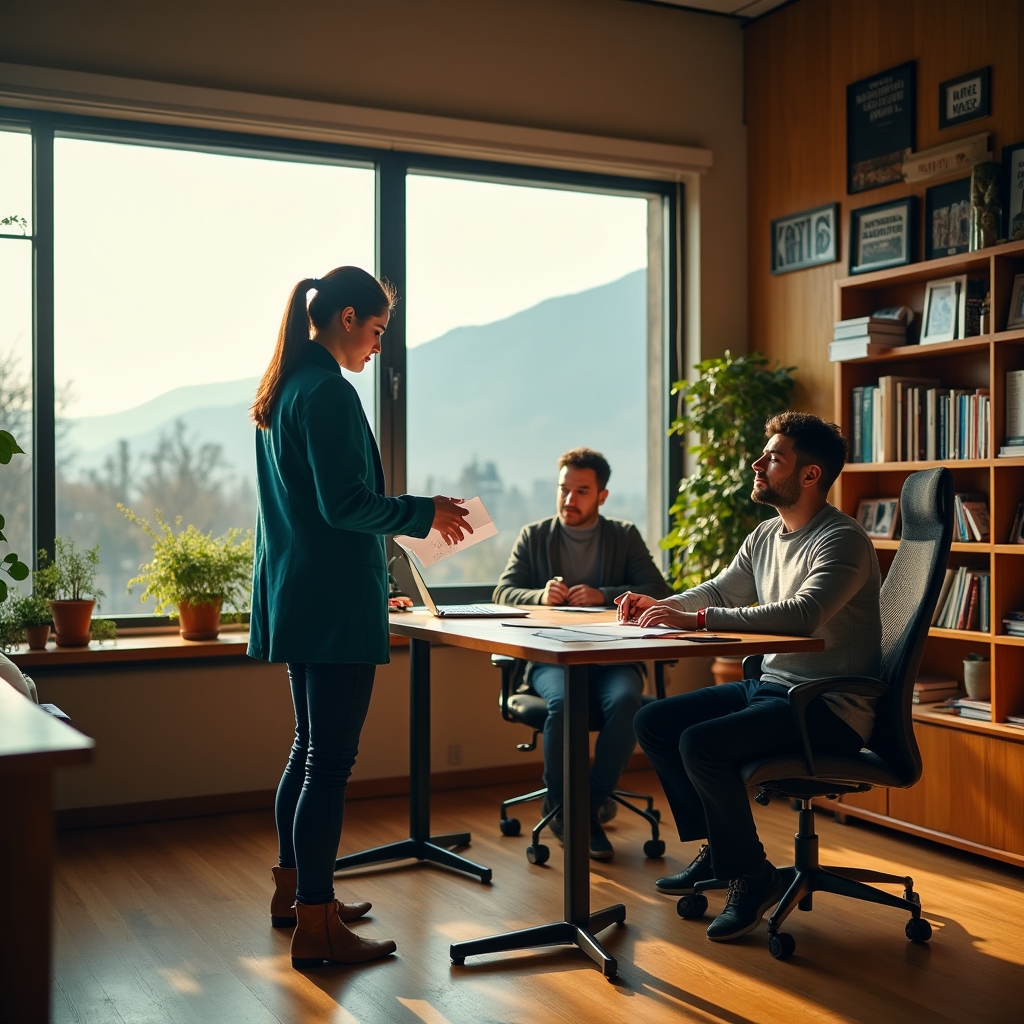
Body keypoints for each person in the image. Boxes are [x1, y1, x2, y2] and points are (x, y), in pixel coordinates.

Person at [248, 267, 470, 970]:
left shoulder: (283, 388)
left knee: (306, 751)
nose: (377, 348)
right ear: (347, 318)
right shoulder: (328, 393)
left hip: (296, 596)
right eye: (376, 332)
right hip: (334, 604)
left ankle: (297, 894)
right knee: (329, 763)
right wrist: (420, 512)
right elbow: (346, 505)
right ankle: (317, 925)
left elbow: (312, 509)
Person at [618, 412, 880, 943]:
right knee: (656, 721)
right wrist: (660, 607)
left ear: (809, 476)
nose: (757, 463)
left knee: (701, 744)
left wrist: (693, 621)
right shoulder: (766, 535)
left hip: (826, 706)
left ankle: (751, 875)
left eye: (774, 457)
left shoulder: (842, 541)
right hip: (775, 688)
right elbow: (717, 593)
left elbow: (804, 613)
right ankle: (719, 850)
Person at [493, 447, 672, 859]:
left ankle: (585, 806)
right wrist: (540, 595)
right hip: (550, 659)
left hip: (612, 660)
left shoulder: (623, 536)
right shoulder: (534, 535)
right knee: (563, 702)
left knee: (628, 701)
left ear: (602, 497)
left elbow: (659, 591)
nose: (569, 500)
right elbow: (502, 591)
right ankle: (563, 807)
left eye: (581, 491)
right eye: (564, 490)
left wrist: (605, 596)